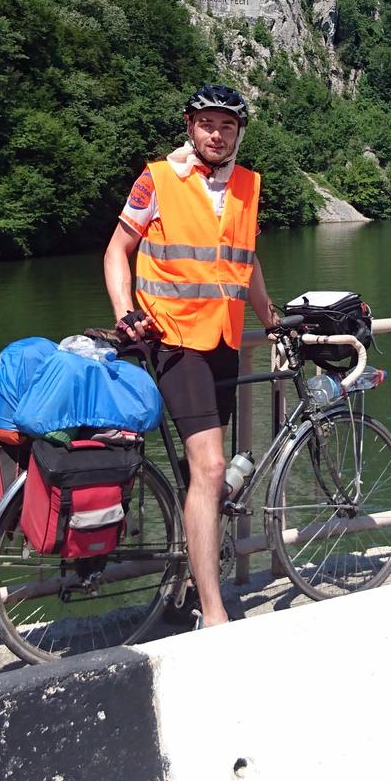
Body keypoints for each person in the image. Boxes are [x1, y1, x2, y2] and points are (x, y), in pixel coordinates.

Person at [103, 83, 280, 628]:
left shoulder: (249, 185)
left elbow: (243, 263)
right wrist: (124, 312)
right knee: (209, 467)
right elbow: (117, 251)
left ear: (239, 133)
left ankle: (186, 579)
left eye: (227, 126)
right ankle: (214, 610)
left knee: (201, 474)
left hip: (225, 341)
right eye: (207, 123)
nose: (216, 134)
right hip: (174, 339)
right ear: (190, 126)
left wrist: (272, 319)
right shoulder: (157, 178)